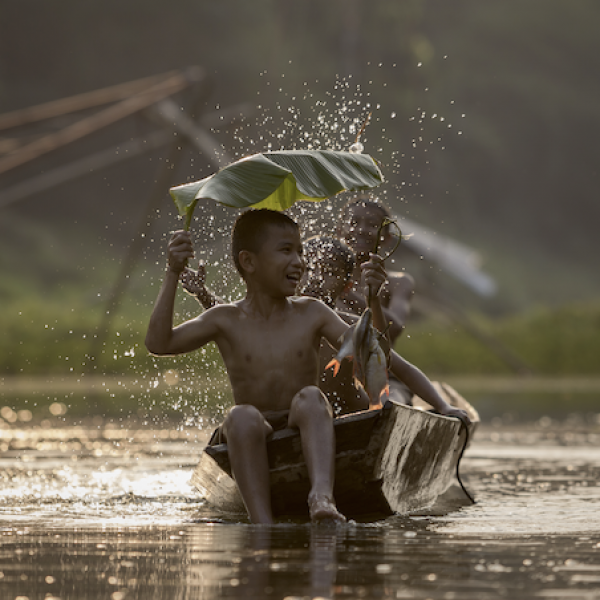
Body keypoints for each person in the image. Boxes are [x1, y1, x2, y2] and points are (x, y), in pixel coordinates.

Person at [145, 209, 387, 525]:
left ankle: (322, 498)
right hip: (254, 428)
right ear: (249, 262)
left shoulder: (312, 312)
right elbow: (159, 344)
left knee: (312, 398)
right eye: (286, 250)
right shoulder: (225, 318)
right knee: (241, 415)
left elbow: (375, 358)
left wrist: (374, 301)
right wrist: (173, 272)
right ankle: (262, 521)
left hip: (300, 419)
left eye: (300, 251)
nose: (300, 261)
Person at [299, 235, 471, 423]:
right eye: (308, 269)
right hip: (305, 416)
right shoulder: (273, 321)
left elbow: (403, 369)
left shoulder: (349, 326)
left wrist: (443, 406)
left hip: (354, 418)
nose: (316, 278)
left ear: (346, 287)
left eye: (330, 272)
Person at [336, 195, 416, 404]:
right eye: (353, 223)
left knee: (391, 401)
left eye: (372, 225)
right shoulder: (324, 278)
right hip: (335, 376)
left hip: (385, 376)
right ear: (339, 232)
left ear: (387, 238)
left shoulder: (398, 282)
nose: (361, 230)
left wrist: (350, 294)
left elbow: (395, 327)